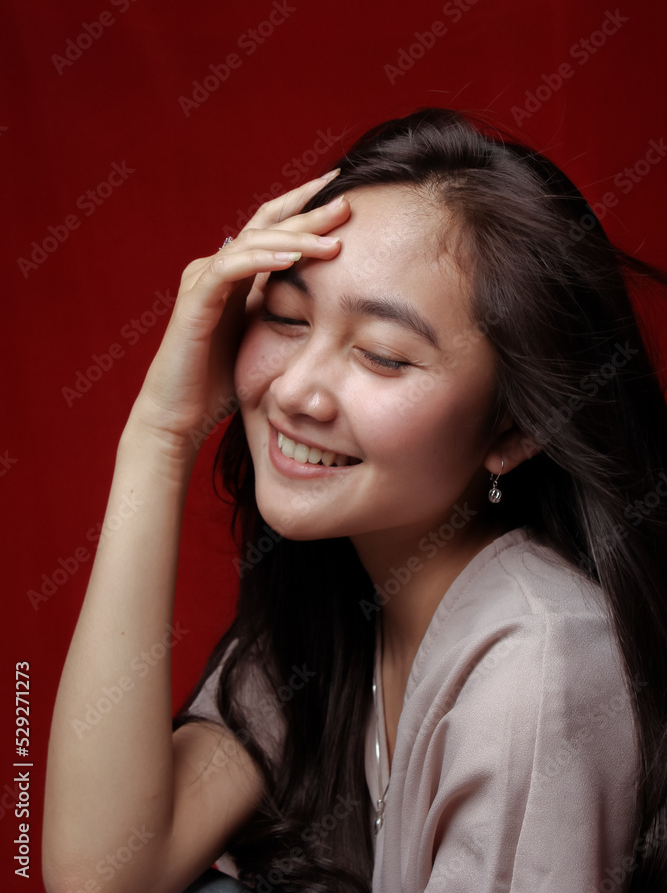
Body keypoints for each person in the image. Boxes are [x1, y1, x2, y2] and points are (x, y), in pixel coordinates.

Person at [42, 108, 667, 893]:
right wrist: (160, 433)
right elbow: (103, 873)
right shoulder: (345, 604)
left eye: (380, 355)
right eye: (286, 318)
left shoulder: (536, 673)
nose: (297, 390)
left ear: (513, 427)